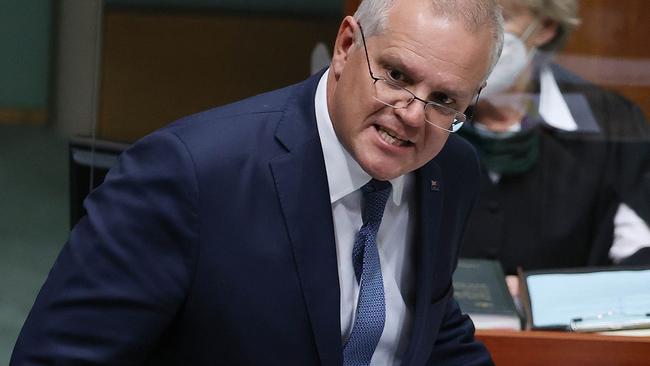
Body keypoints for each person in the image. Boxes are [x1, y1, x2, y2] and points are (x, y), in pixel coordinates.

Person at [11, 0, 503, 364]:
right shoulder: (191, 175)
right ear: (346, 46)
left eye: (444, 100)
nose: (413, 116)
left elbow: (426, 332)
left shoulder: (448, 171)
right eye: (395, 76)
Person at [458, 0, 650, 294]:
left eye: (502, 17)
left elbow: (640, 264)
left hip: (564, 334)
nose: (484, 32)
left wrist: (540, 293)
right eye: (470, 15)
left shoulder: (610, 123)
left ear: (545, 27)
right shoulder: (424, 111)